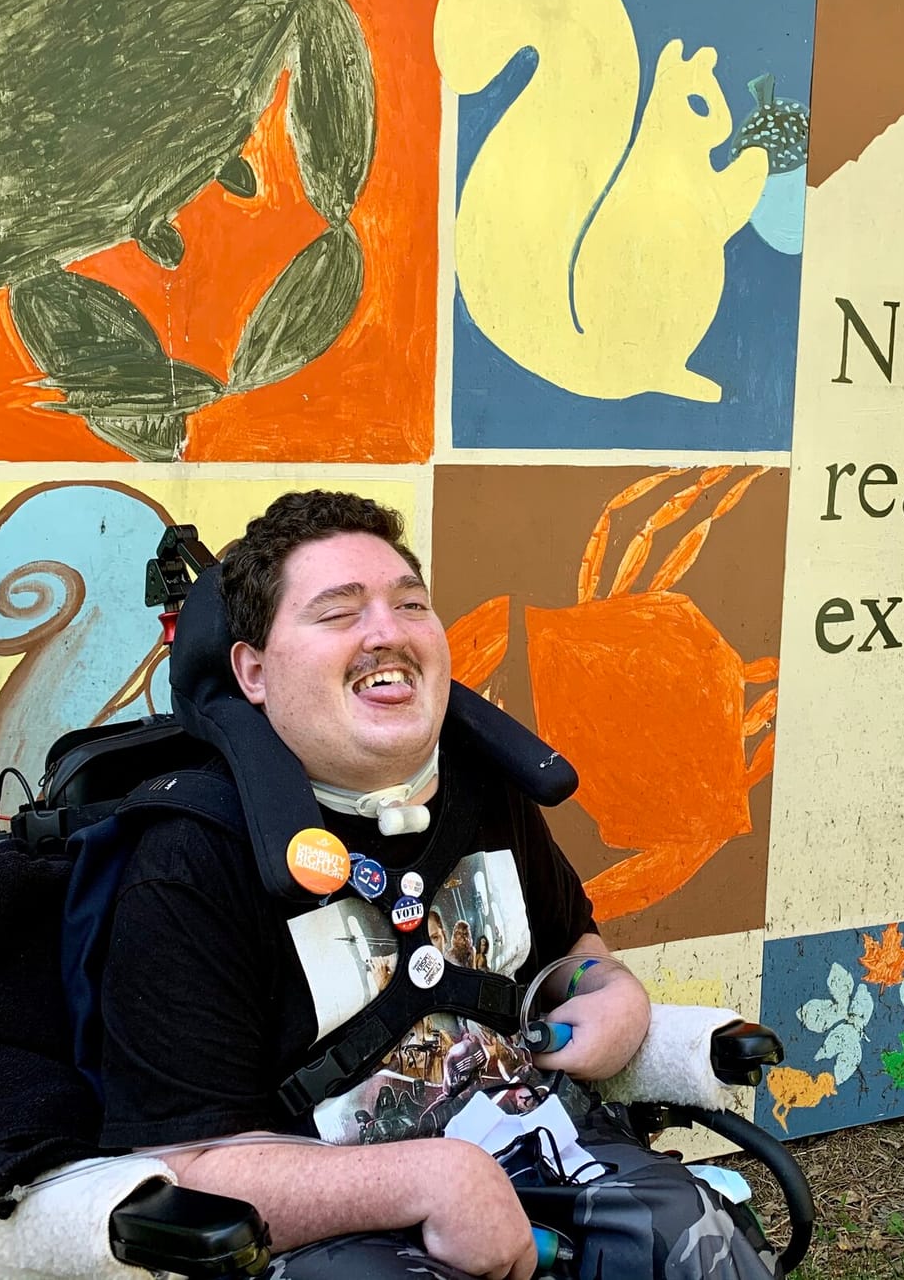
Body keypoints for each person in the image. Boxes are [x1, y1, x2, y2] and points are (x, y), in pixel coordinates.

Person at [94, 491, 773, 1280]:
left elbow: (569, 953)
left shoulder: (487, 791)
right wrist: (429, 1179)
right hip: (333, 1227)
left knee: (693, 1235)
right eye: (339, 613)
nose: (388, 632)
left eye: (410, 604)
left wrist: (611, 989)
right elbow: (188, 1167)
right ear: (252, 670)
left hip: (542, 1148)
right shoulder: (188, 859)